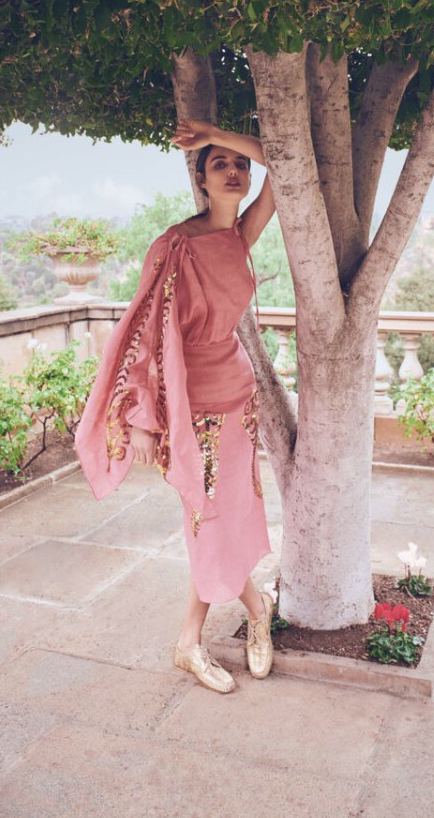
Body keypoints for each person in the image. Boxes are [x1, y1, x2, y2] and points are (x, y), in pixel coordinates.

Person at [75, 119, 277, 694]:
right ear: (201, 180)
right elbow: (144, 331)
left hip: (239, 398)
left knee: (227, 512)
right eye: (219, 165)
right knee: (206, 515)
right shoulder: (175, 245)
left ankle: (207, 634)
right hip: (192, 405)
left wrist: (217, 133)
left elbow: (282, 162)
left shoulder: (241, 234)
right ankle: (244, 614)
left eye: (239, 165)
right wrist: (141, 419)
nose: (234, 172)